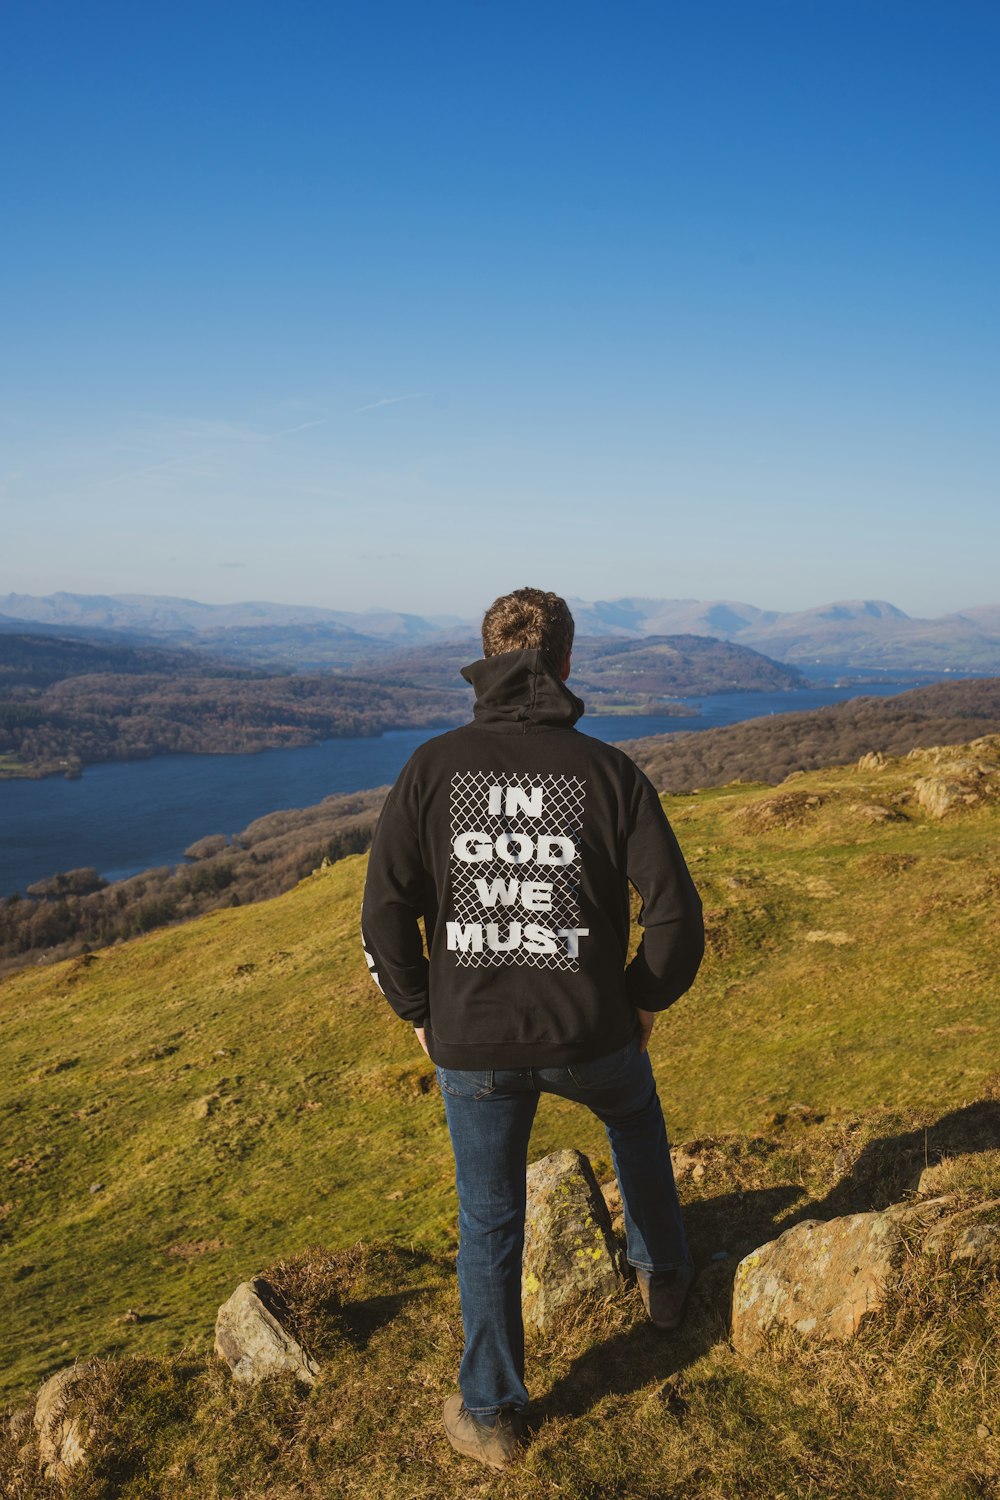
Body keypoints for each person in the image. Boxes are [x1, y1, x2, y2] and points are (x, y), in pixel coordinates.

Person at [360, 586, 704, 1471]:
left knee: (489, 1220)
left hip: (471, 1044)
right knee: (634, 1122)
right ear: (566, 662)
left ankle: (494, 1414)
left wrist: (419, 1014)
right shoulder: (607, 772)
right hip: (593, 1031)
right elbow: (676, 918)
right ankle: (664, 1281)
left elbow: (384, 914)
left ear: (484, 659)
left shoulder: (434, 769)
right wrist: (640, 1001)